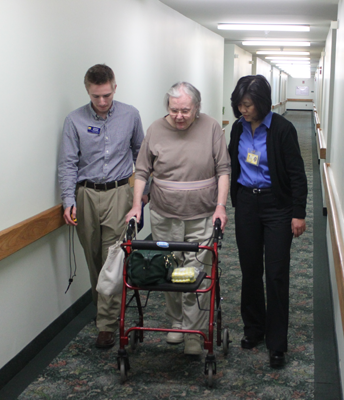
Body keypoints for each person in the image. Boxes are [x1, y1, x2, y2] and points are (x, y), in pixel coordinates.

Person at [125, 82, 230, 355]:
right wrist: (137, 205)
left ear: (197, 107)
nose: (180, 116)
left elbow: (223, 170)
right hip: (164, 214)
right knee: (169, 271)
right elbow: (141, 171)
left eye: (186, 110)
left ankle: (194, 332)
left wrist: (221, 207)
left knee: (195, 272)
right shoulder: (156, 129)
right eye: (174, 111)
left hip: (202, 215)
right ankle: (176, 322)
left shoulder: (211, 128)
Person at [58, 64, 147, 348]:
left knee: (112, 257)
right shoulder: (74, 121)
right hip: (86, 195)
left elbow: (141, 155)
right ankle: (103, 310)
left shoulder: (130, 115)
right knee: (93, 257)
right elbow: (68, 164)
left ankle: (107, 324)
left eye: (107, 95)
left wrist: (144, 193)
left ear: (115, 87)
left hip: (119, 192)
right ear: (88, 90)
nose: (102, 102)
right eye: (96, 96)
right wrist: (68, 201)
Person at [228, 75, 307, 369]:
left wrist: (298, 212)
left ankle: (277, 343)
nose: (242, 110)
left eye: (247, 105)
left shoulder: (283, 130)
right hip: (247, 203)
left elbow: (297, 174)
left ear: (262, 104)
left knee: (275, 274)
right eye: (239, 105)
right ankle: (254, 330)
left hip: (277, 207)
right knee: (249, 270)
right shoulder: (237, 129)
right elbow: (232, 162)